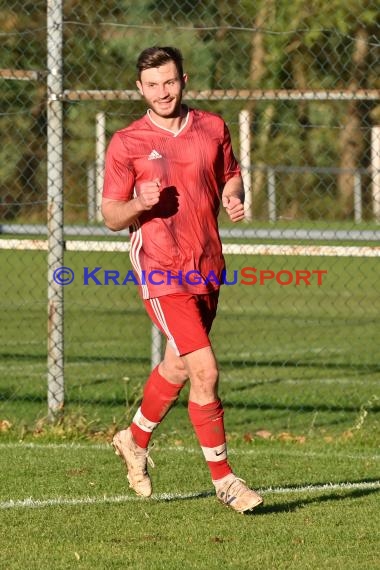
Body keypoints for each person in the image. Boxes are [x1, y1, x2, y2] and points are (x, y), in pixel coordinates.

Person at [101, 46, 263, 513]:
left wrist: (234, 196)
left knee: (177, 365)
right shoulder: (127, 142)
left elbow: (231, 175)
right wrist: (138, 203)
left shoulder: (212, 127)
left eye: (169, 82)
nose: (162, 92)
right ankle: (225, 480)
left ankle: (133, 439)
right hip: (159, 267)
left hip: (207, 263)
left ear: (184, 80)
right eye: (152, 85)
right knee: (205, 370)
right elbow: (111, 214)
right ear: (139, 88)